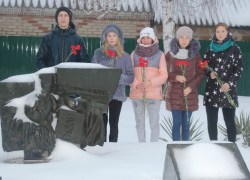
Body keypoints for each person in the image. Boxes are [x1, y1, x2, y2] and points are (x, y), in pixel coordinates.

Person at [91, 24, 134, 142]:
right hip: (102, 93)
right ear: (105, 38)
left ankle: (114, 146)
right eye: (109, 35)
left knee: (114, 122)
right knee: (102, 121)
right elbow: (93, 72)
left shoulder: (125, 57)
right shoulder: (99, 54)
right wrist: (103, 79)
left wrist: (116, 78)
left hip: (117, 94)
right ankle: (102, 145)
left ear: (118, 38)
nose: (111, 38)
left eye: (114, 35)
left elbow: (130, 76)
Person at [203, 22, 243, 143]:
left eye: (223, 31)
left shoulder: (235, 49)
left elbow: (239, 69)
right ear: (215, 33)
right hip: (212, 90)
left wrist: (230, 83)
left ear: (227, 32)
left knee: (230, 121)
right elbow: (204, 65)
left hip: (227, 91)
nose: (220, 34)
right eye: (218, 31)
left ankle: (232, 147)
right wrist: (209, 73)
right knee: (212, 121)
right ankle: (213, 146)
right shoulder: (210, 48)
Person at [165, 26, 204, 141]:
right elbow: (163, 73)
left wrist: (191, 87)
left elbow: (200, 74)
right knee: (177, 124)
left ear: (190, 40)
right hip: (174, 95)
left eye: (187, 38)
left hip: (189, 95)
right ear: (177, 39)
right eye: (182, 37)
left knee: (186, 125)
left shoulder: (196, 55)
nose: (184, 40)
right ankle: (175, 148)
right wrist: (175, 77)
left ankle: (186, 149)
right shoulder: (170, 55)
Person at [129, 27, 168, 142]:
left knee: (154, 123)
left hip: (154, 94)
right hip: (137, 93)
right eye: (143, 38)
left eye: (148, 38)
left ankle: (153, 147)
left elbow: (164, 75)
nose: (145, 40)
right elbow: (129, 73)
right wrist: (136, 84)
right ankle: (141, 146)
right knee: (139, 123)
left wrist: (151, 82)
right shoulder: (134, 54)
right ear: (140, 39)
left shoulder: (160, 54)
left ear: (153, 38)